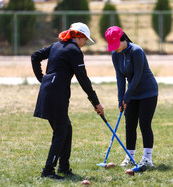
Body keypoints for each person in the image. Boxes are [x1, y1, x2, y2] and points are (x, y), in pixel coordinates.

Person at [31, 22, 104, 180]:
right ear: (78, 36)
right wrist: (96, 103)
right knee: (61, 131)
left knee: (66, 129)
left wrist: (42, 80)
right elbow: (83, 79)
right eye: (85, 40)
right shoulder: (74, 51)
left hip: (48, 93)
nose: (85, 43)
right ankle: (48, 171)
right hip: (56, 96)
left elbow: (35, 56)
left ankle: (64, 167)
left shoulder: (57, 45)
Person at [105, 26, 158, 167]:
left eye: (116, 45)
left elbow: (137, 77)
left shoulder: (137, 51)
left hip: (148, 91)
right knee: (130, 124)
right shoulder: (115, 55)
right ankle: (130, 157)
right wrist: (120, 99)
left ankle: (147, 159)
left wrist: (127, 96)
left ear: (123, 39)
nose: (114, 48)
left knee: (144, 124)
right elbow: (120, 78)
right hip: (132, 93)